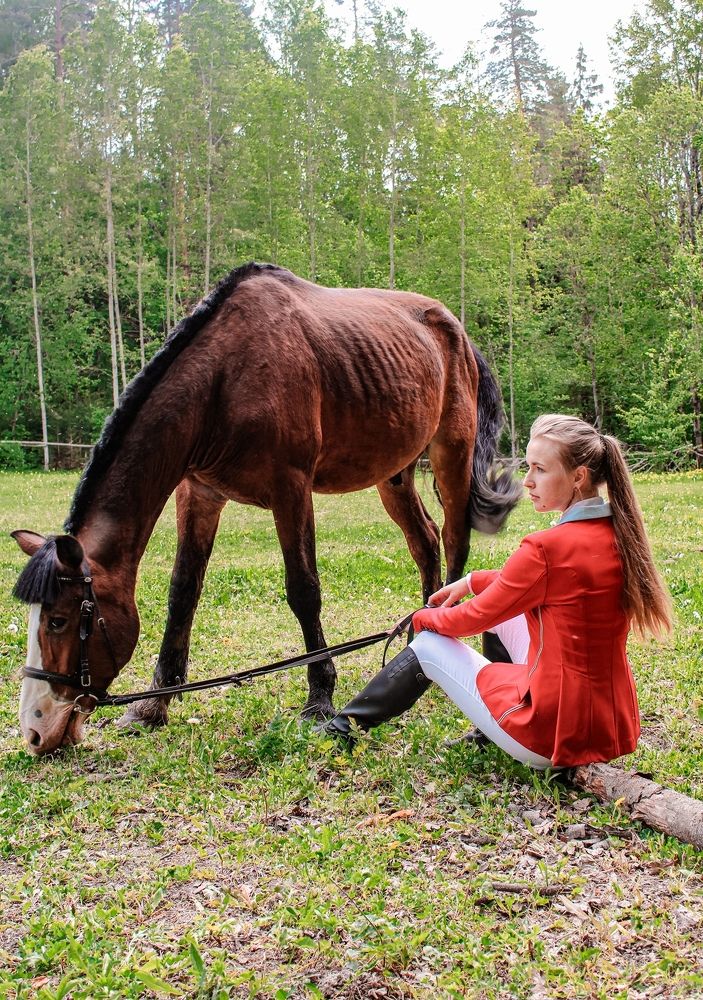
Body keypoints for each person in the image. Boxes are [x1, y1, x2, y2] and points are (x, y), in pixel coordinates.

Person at [325, 414, 672, 769]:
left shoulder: (546, 548)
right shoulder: (618, 533)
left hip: (547, 734)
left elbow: (472, 617)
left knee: (429, 645)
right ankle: (487, 732)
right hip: (605, 727)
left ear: (578, 477)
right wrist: (473, 580)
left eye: (540, 469)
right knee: (508, 612)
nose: (527, 481)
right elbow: (525, 585)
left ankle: (340, 730)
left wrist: (422, 617)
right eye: (528, 467)